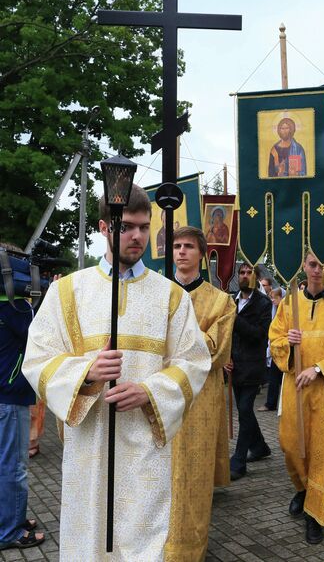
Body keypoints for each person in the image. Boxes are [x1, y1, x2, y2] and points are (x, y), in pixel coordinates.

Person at [22, 185, 210, 560]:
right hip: (88, 450)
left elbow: (193, 360)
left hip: (143, 448)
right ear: (105, 227)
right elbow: (38, 358)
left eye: (144, 226)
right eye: (127, 227)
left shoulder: (171, 296)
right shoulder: (68, 293)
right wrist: (86, 372)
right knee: (88, 543)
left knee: (141, 544)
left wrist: (151, 391)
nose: (138, 236)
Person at [269, 252, 324, 544]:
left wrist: (319, 369)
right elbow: (275, 338)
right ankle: (303, 489)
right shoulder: (289, 303)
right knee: (291, 444)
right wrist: (287, 343)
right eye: (312, 264)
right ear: (304, 267)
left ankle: (316, 514)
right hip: (294, 387)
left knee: (321, 452)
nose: (318, 270)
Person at [165, 226, 236, 560]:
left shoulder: (221, 301)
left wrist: (173, 342)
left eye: (188, 247)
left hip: (200, 399)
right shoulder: (158, 294)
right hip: (162, 394)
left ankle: (190, 550)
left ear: (202, 254)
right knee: (161, 473)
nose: (181, 252)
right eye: (176, 246)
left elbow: (217, 350)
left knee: (193, 476)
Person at [0, 292, 45, 550]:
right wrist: (32, 303)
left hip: (4, 397)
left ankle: (11, 518)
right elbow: (38, 335)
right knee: (13, 466)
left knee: (5, 463)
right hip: (9, 398)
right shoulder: (14, 310)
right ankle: (10, 532)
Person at [228, 262, 273, 480]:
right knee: (245, 411)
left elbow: (259, 335)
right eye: (242, 272)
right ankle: (260, 446)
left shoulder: (263, 303)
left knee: (245, 410)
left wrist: (236, 320)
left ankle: (238, 461)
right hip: (234, 365)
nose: (245, 276)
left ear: (256, 277)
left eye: (249, 273)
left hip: (253, 366)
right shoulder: (230, 300)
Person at [259, 286, 285, 412]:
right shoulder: (274, 310)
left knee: (281, 379)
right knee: (274, 377)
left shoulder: (285, 310)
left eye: (275, 298)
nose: (273, 301)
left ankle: (278, 403)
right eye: (272, 298)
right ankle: (271, 403)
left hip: (284, 348)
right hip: (276, 348)